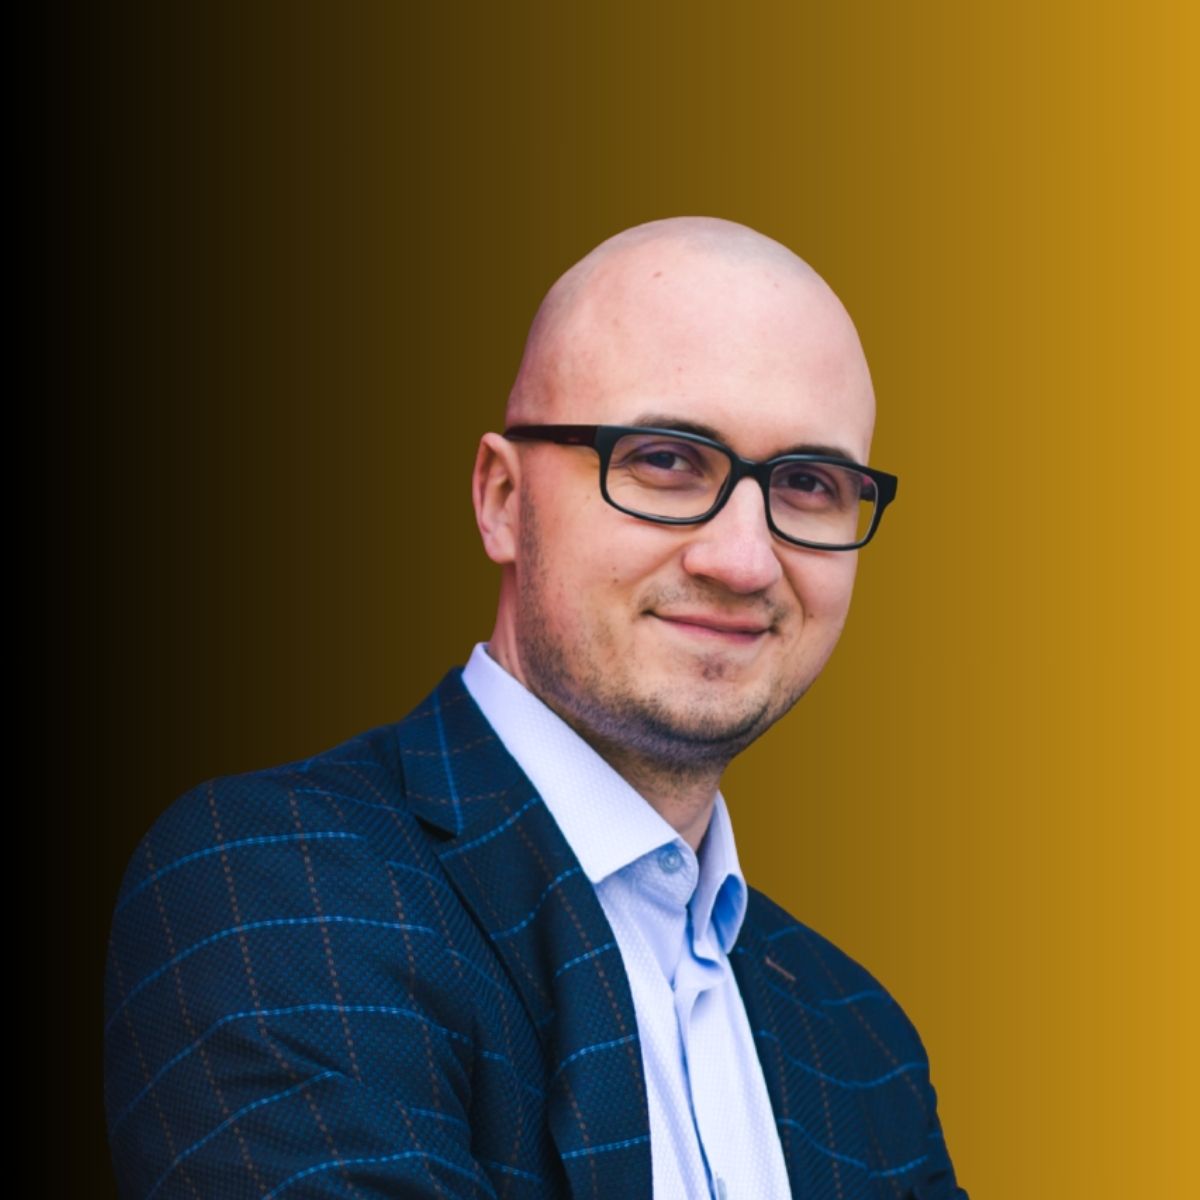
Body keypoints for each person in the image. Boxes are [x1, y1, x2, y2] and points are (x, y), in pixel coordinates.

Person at [105, 217, 966, 1199]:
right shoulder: (273, 884)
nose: (741, 559)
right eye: (666, 460)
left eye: (808, 484)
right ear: (502, 499)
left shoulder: (863, 1042)